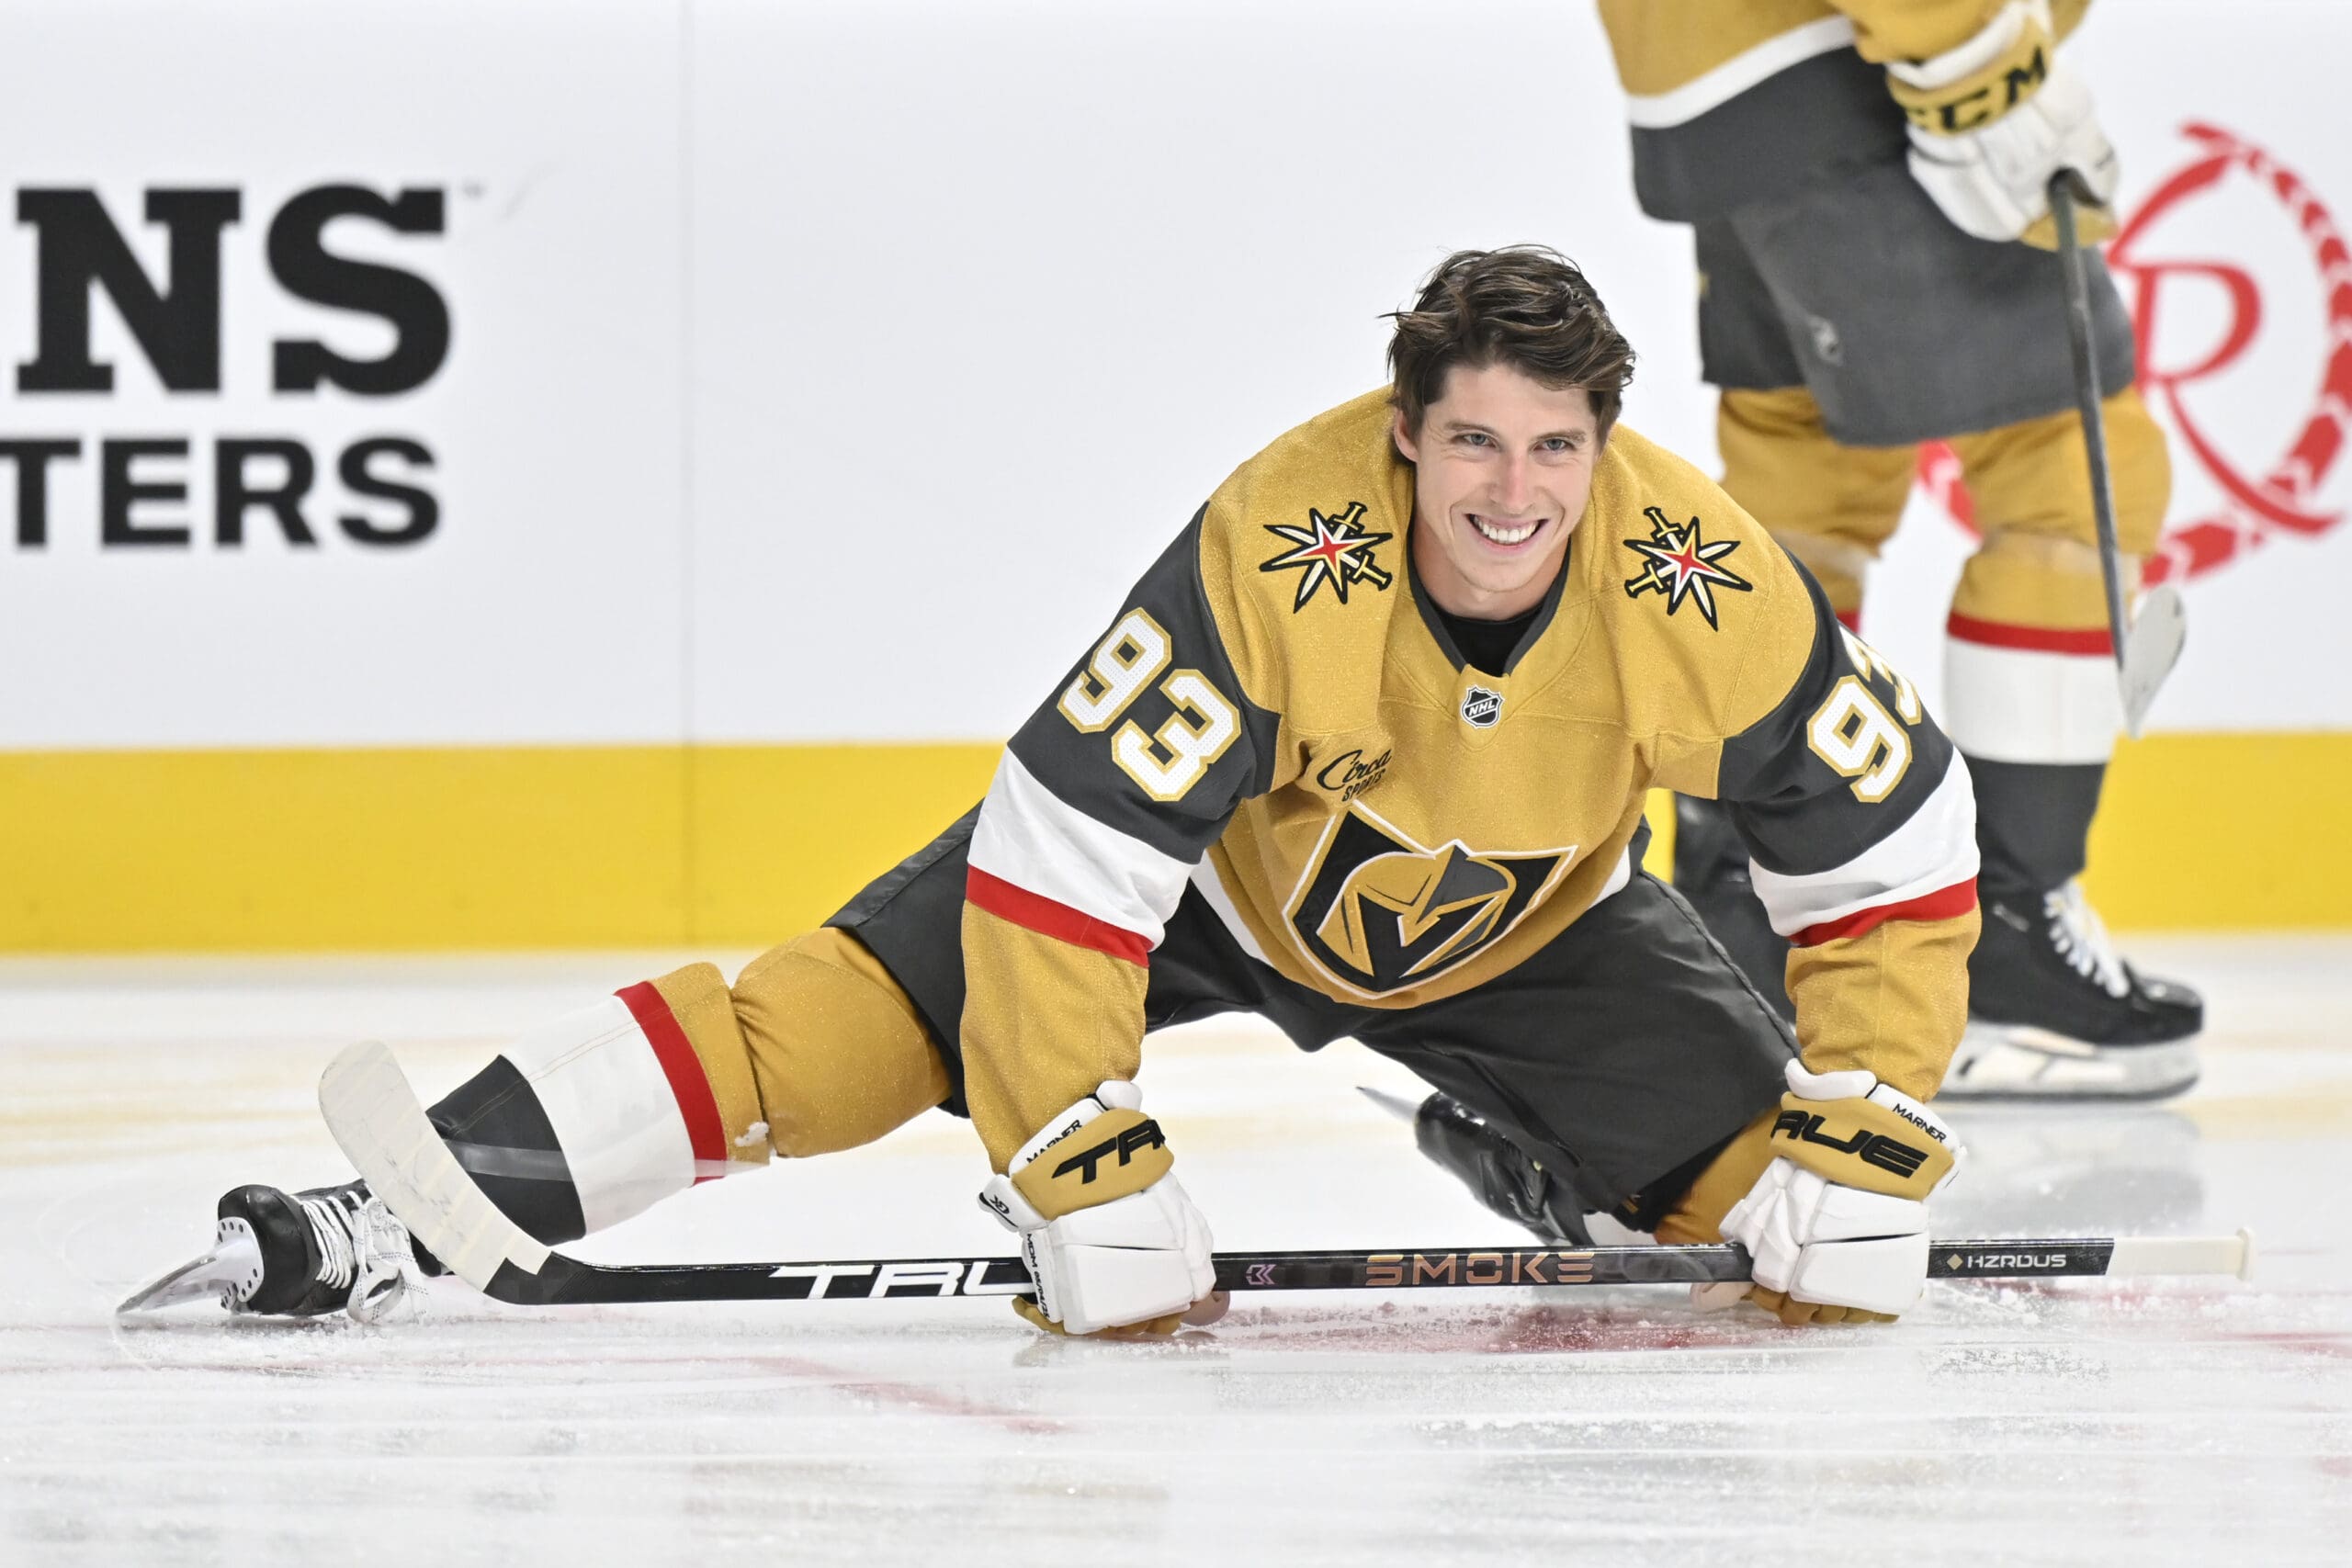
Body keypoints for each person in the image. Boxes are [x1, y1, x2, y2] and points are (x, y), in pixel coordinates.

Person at [129, 248, 1979, 1334]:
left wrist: (1872, 1116)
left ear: (1605, 443)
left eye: (1556, 449)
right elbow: (1066, 866)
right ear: (1404, 430)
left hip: (1535, 930)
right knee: (820, 1038)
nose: (1514, 496)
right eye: (1474, 442)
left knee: (1788, 1222)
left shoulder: (1694, 577)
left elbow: (1887, 844)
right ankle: (392, 1207)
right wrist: (1072, 1149)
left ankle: (1544, 1149)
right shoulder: (1285, 539)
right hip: (1200, 889)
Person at [1593, 0, 2202, 1099]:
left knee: (1801, 492)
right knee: (2066, 465)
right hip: (1869, 79)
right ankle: (2004, 939)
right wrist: (1978, 67)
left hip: (1723, 85)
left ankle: (1749, 923)